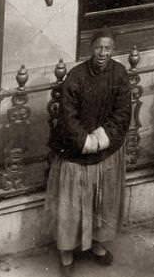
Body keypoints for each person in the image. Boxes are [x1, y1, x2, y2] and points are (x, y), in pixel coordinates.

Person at [46, 33, 132, 270]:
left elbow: (123, 112)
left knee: (101, 202)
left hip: (106, 150)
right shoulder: (76, 76)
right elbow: (67, 114)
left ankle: (96, 243)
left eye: (107, 48)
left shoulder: (119, 74)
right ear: (91, 49)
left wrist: (102, 137)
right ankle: (66, 251)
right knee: (71, 204)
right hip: (77, 151)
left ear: (113, 50)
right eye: (98, 48)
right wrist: (86, 140)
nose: (103, 53)